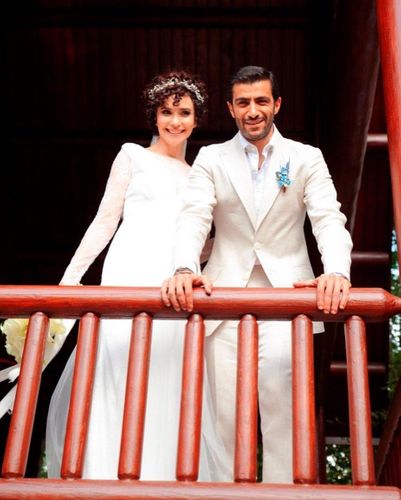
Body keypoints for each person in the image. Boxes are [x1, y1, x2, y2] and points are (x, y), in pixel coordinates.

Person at [161, 65, 353, 483]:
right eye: (243, 103)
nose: (253, 111)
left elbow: (328, 219)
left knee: (285, 416)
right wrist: (184, 267)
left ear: (276, 104)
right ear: (231, 108)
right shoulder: (211, 158)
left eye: (261, 101)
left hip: (287, 303)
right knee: (223, 419)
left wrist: (337, 271)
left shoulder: (306, 157)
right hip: (223, 301)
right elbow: (194, 217)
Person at [45, 70, 229, 481]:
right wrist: (70, 280)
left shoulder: (200, 175)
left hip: (172, 281)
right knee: (116, 367)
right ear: (154, 116)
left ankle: (158, 477)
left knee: (167, 374)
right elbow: (104, 221)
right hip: (128, 267)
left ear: (197, 119)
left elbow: (202, 243)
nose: (175, 121)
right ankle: (103, 475)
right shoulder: (132, 156)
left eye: (184, 112)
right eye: (167, 112)